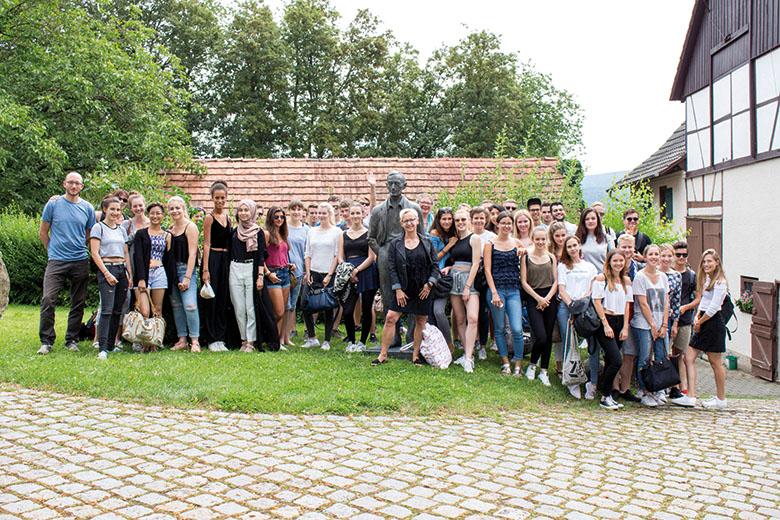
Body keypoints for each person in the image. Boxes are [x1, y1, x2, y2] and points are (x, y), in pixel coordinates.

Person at [37, 172, 96, 355]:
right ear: (64, 184)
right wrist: (52, 251)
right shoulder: (53, 205)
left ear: (81, 187)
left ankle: (72, 339)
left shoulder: (87, 208)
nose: (73, 186)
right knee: (48, 299)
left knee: (78, 302)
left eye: (77, 183)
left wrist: (79, 247)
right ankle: (46, 341)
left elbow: (89, 234)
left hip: (79, 260)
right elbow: (43, 232)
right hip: (56, 261)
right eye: (70, 182)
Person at [371, 209, 439, 366]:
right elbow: (392, 268)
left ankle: (416, 355)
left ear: (417, 221)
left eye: (412, 220)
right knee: (391, 318)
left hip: (423, 288)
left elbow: (435, 266)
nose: (409, 223)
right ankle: (383, 355)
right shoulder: (395, 244)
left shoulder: (427, 242)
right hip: (403, 288)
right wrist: (398, 289)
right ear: (402, 224)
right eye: (406, 221)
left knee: (420, 320)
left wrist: (430, 284)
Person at [368, 171, 424, 347]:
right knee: (387, 295)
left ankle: (412, 339)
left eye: (397, 184)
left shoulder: (414, 209)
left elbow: (422, 235)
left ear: (404, 186)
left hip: (410, 253)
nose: (393, 187)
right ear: (386, 185)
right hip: (386, 255)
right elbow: (371, 238)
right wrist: (381, 252)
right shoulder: (378, 211)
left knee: (413, 293)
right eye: (390, 183)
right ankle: (392, 337)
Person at [672, 249, 728, 409]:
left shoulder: (720, 282)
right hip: (703, 321)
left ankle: (721, 399)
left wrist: (700, 321)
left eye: (710, 261)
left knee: (715, 363)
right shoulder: (707, 280)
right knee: (688, 357)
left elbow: (714, 307)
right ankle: (690, 395)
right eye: (704, 262)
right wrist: (697, 317)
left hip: (713, 324)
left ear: (717, 262)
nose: (706, 265)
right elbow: (703, 302)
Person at [90, 197, 132, 360]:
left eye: (118, 210)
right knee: (106, 309)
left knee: (117, 310)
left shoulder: (121, 229)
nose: (115, 212)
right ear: (105, 209)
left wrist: (129, 274)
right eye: (112, 209)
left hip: (121, 269)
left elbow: (126, 253)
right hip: (107, 268)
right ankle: (102, 348)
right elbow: (94, 253)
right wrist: (107, 274)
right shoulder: (98, 228)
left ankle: (111, 345)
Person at [484, 211, 525, 375]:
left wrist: (526, 252)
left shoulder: (517, 243)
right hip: (497, 290)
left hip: (514, 290)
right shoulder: (490, 244)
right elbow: (487, 270)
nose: (507, 226)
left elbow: (532, 250)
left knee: (517, 328)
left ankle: (518, 363)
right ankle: (505, 362)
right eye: (504, 223)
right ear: (498, 224)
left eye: (509, 223)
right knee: (499, 327)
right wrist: (494, 293)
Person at [557, 235, 598, 399]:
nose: (573, 249)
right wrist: (572, 306)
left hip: (587, 309)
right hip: (567, 308)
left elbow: (592, 288)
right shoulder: (563, 266)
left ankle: (593, 382)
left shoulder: (590, 267)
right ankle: (573, 381)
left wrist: (583, 303)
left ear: (580, 246)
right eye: (569, 246)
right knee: (569, 343)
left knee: (593, 346)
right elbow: (562, 289)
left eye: (575, 245)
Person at [591, 250, 632, 409]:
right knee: (616, 360)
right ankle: (605, 396)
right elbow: (597, 302)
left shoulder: (626, 281)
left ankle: (607, 395)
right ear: (609, 262)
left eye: (621, 261)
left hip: (620, 320)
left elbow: (628, 304)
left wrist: (625, 326)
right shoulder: (602, 279)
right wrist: (605, 324)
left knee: (610, 360)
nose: (618, 264)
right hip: (606, 320)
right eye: (615, 261)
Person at [631, 244, 670, 407]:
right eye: (651, 254)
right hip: (643, 323)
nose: (654, 257)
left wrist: (664, 325)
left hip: (661, 323)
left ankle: (659, 389)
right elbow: (643, 303)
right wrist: (653, 326)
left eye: (657, 254)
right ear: (645, 257)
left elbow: (666, 301)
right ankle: (645, 390)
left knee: (661, 357)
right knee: (645, 357)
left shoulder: (663, 277)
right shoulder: (640, 277)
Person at [521, 226, 558, 384]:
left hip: (549, 298)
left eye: (543, 239)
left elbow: (556, 281)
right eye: (538, 239)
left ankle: (544, 370)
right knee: (540, 337)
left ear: (547, 240)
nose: (541, 242)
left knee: (548, 336)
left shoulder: (551, 257)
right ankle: (532, 365)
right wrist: (538, 299)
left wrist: (547, 298)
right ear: (533, 239)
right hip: (533, 298)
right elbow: (524, 281)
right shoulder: (526, 256)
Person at [339, 203, 378, 352]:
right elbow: (340, 256)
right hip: (348, 273)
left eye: (358, 213)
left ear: (363, 215)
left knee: (367, 308)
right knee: (348, 310)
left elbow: (371, 256)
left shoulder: (369, 233)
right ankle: (351, 341)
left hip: (366, 271)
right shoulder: (342, 234)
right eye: (352, 213)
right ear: (348, 215)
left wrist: (357, 270)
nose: (355, 216)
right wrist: (348, 272)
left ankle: (362, 341)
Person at [302, 203, 341, 350]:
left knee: (327, 306)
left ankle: (327, 340)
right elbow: (308, 253)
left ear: (330, 214)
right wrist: (308, 273)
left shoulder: (336, 232)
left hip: (328, 273)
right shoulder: (312, 231)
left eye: (324, 213)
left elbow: (337, 254)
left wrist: (330, 275)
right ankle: (312, 338)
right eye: (320, 213)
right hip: (313, 272)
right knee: (305, 303)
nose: (321, 215)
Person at [133, 202, 171, 351]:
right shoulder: (141, 233)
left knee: (157, 310)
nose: (155, 216)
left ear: (163, 216)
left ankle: (155, 341)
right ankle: (143, 342)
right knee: (144, 311)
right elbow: (138, 257)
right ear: (148, 215)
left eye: (158, 213)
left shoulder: (167, 235)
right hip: (144, 273)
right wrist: (141, 278)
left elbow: (168, 258)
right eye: (152, 213)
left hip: (160, 272)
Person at [449, 209, 482, 373]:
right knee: (460, 319)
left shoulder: (474, 238)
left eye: (463, 219)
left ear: (468, 220)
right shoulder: (455, 240)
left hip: (470, 281)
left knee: (472, 318)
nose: (460, 223)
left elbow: (476, 263)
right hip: (455, 279)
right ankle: (467, 353)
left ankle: (469, 358)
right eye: (457, 220)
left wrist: (468, 287)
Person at [166, 196, 201, 353]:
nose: (175, 211)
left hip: (186, 270)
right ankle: (182, 339)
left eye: (177, 208)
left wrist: (187, 277)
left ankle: (195, 340)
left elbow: (192, 254)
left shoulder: (190, 227)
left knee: (190, 306)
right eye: (172, 209)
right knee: (177, 306)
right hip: (171, 271)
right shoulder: (169, 229)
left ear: (184, 209)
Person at [229, 200, 264, 352]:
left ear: (252, 212)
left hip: (250, 268)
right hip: (235, 267)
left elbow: (261, 256)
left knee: (250, 307)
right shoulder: (234, 232)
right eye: (240, 210)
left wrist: (260, 276)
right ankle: (243, 339)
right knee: (238, 307)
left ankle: (251, 341)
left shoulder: (258, 232)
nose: (243, 213)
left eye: (246, 210)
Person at [201, 181, 231, 352]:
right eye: (217, 198)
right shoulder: (208, 218)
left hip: (226, 259)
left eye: (222, 198)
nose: (219, 201)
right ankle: (212, 339)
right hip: (212, 258)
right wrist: (206, 269)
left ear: (226, 199)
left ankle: (221, 338)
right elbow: (206, 244)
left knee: (223, 299)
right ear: (212, 198)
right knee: (212, 300)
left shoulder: (228, 218)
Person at [613, 233, 642, 402]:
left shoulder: (638, 268)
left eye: (629, 247)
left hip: (633, 315)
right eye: (623, 247)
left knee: (629, 354)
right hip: (615, 315)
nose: (627, 250)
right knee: (615, 353)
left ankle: (626, 388)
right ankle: (615, 387)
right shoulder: (612, 266)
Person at [671, 240, 700, 394]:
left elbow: (697, 298)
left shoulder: (691, 275)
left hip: (685, 319)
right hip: (668, 320)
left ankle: (682, 387)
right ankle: (672, 385)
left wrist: (686, 307)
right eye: (678, 255)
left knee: (680, 354)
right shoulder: (668, 272)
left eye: (684, 255)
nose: (681, 258)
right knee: (668, 354)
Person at [264, 206, 293, 340]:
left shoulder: (283, 234)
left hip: (285, 272)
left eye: (282, 217)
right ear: (271, 218)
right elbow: (260, 257)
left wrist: (289, 264)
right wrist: (268, 273)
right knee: (278, 311)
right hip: (273, 274)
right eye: (276, 217)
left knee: (283, 311)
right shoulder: (267, 234)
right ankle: (270, 337)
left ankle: (278, 341)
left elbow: (282, 254)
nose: (279, 219)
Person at [470, 207, 496, 358]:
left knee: (484, 311)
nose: (479, 221)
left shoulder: (491, 236)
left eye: (481, 218)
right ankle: (472, 341)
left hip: (486, 276)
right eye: (476, 218)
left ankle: (482, 345)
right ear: (471, 219)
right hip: (471, 275)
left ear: (486, 220)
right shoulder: (467, 235)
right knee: (471, 312)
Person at [283, 199, 308, 346]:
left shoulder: (306, 230)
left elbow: (307, 252)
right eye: (294, 209)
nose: (296, 212)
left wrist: (306, 272)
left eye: (299, 209)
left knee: (292, 305)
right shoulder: (284, 227)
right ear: (289, 210)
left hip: (299, 272)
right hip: (284, 270)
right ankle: (283, 334)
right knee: (284, 305)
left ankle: (287, 337)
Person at [576, 207, 613, 274]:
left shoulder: (607, 238)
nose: (590, 221)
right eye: (587, 219)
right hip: (583, 277)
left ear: (597, 220)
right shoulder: (577, 239)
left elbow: (613, 259)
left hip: (603, 277)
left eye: (593, 219)